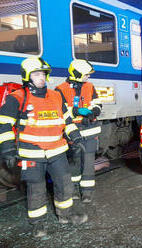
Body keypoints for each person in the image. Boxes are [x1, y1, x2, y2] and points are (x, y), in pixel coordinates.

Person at [0, 57, 88, 237]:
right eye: (37, 74)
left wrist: (76, 138)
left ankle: (66, 215)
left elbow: (67, 121)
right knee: (36, 188)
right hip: (31, 154)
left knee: (65, 184)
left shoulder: (56, 96)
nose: (41, 78)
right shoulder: (17, 98)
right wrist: (8, 149)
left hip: (57, 152)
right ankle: (38, 224)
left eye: (43, 74)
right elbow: (4, 124)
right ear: (27, 76)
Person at [56, 59, 101, 203]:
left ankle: (87, 192)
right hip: (72, 132)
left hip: (89, 131)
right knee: (73, 163)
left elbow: (97, 104)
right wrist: (76, 111)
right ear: (77, 74)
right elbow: (61, 111)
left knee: (88, 163)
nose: (88, 77)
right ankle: (73, 189)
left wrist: (93, 112)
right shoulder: (60, 89)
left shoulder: (90, 86)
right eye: (86, 74)